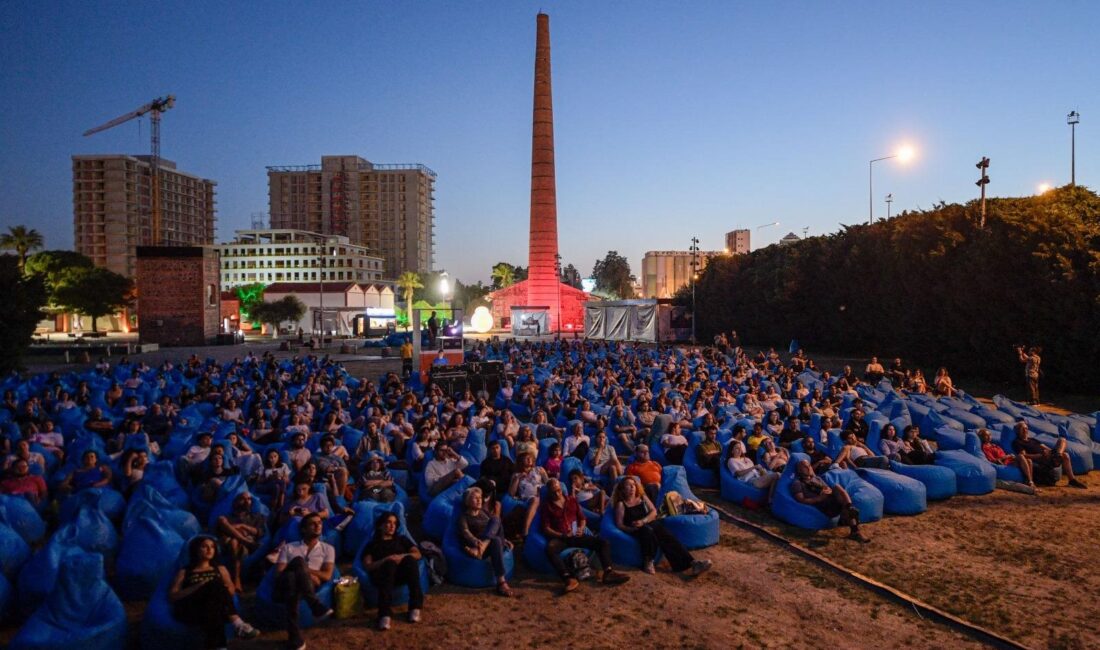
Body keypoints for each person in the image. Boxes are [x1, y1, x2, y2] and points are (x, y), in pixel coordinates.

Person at [168, 536, 260, 649]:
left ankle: (220, 647)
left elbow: (231, 591)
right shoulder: (185, 571)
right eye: (204, 546)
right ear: (196, 550)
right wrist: (199, 586)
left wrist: (213, 588)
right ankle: (238, 624)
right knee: (214, 588)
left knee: (214, 608)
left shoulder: (220, 569)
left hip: (213, 607)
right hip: (191, 608)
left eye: (212, 547)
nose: (209, 549)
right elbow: (173, 596)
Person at [539, 478, 630, 594]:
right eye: (553, 492)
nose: (557, 494)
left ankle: (608, 572)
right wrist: (562, 535)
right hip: (561, 537)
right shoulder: (546, 506)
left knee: (603, 542)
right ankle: (568, 578)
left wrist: (581, 528)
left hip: (576, 535)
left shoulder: (571, 500)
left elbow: (582, 518)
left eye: (558, 490)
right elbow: (546, 528)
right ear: (549, 493)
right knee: (550, 548)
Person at [611, 475, 711, 576]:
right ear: (622, 490)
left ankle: (693, 563)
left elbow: (653, 511)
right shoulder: (621, 504)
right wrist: (631, 529)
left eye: (634, 485)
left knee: (665, 535)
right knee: (647, 530)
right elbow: (620, 524)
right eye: (628, 485)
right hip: (636, 529)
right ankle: (648, 561)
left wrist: (643, 521)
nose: (632, 487)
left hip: (647, 523)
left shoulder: (642, 497)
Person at [274, 513, 335, 650]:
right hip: (283, 585)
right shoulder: (289, 547)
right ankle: (314, 605)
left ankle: (294, 636)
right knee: (297, 563)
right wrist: (304, 570)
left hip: (303, 586)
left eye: (319, 523)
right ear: (303, 529)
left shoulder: (328, 549)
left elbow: (326, 576)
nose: (318, 525)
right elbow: (278, 574)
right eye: (313, 523)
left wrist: (305, 572)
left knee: (293, 580)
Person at [360, 511, 424, 630]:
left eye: (394, 523)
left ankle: (415, 607)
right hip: (382, 576)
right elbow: (368, 565)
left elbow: (417, 554)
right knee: (389, 564)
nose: (392, 526)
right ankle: (384, 614)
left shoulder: (402, 539)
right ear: (380, 525)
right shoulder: (373, 545)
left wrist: (401, 557)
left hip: (400, 575)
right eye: (388, 522)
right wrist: (385, 560)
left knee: (410, 559)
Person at [790, 459, 869, 543]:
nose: (808, 468)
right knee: (841, 497)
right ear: (799, 470)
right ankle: (850, 512)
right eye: (805, 466)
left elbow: (828, 489)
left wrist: (828, 491)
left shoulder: (817, 478)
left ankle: (850, 512)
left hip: (832, 499)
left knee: (837, 488)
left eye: (809, 465)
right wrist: (819, 498)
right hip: (825, 505)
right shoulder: (797, 483)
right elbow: (801, 499)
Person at [457, 486, 514, 597]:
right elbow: (465, 532)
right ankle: (501, 582)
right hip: (478, 545)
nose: (479, 500)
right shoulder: (463, 517)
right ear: (467, 501)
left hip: (481, 548)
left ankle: (484, 546)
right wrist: (475, 541)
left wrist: (506, 540)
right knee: (496, 539)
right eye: (475, 498)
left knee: (496, 520)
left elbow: (495, 527)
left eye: (480, 497)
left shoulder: (484, 512)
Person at [1011, 421, 1086, 489]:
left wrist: (1050, 452)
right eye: (1023, 429)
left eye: (1026, 428)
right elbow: (1024, 455)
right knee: (1063, 455)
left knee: (1062, 441)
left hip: (1048, 456)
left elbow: (1045, 447)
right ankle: (1057, 457)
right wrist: (1039, 455)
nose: (1025, 430)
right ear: (1018, 431)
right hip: (1039, 459)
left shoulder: (1033, 440)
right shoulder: (1018, 442)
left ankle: (1071, 479)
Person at [217, 492, 267, 591]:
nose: (247, 501)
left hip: (246, 544)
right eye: (242, 499)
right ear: (235, 501)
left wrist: (242, 526)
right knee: (222, 521)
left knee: (234, 541)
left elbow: (259, 532)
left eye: (249, 499)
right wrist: (239, 532)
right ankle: (237, 579)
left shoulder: (257, 516)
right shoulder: (227, 517)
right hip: (233, 543)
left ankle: (236, 578)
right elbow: (220, 530)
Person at [507, 452, 548, 537]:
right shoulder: (516, 475)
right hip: (529, 498)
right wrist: (517, 479)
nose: (529, 460)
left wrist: (544, 475)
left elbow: (548, 483)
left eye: (530, 458)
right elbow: (511, 493)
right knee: (535, 500)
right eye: (526, 458)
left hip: (543, 494)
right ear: (521, 461)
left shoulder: (539, 469)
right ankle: (525, 530)